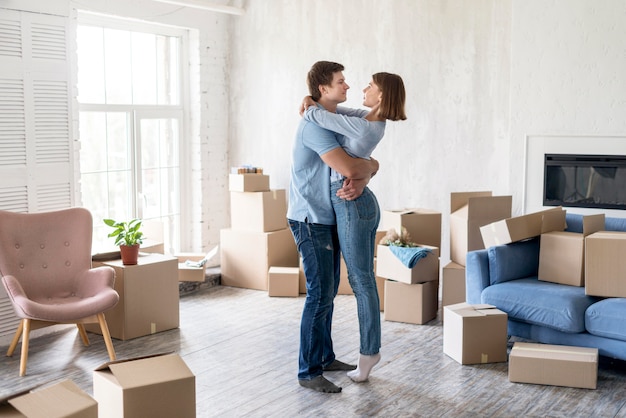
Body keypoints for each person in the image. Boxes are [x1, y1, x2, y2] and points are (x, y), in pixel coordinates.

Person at [301, 72, 407, 382]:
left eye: (370, 86)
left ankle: (369, 352)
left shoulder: (363, 125)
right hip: (355, 204)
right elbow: (334, 111)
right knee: (360, 279)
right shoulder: (366, 118)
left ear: (382, 96)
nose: (363, 88)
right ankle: (365, 352)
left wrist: (309, 102)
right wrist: (370, 169)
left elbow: (319, 115)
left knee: (361, 280)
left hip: (353, 206)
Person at [287, 61, 380, 394]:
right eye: (341, 82)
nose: (348, 86)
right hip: (309, 218)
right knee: (320, 293)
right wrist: (365, 170)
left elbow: (366, 161)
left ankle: (325, 357)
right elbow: (348, 166)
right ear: (323, 88)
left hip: (326, 217)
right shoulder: (315, 127)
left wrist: (367, 170)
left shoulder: (334, 118)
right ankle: (308, 371)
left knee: (327, 292)